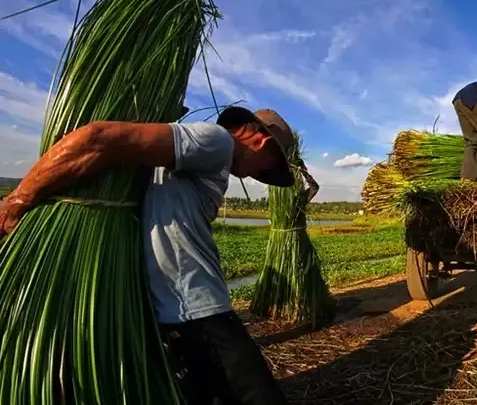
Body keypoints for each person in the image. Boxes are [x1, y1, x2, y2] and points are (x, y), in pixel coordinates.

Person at [0, 105, 298, 405]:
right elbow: (99, 138)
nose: (257, 176)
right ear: (262, 141)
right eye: (266, 168)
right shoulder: (217, 142)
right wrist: (17, 200)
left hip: (184, 311)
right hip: (200, 312)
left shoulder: (198, 158)